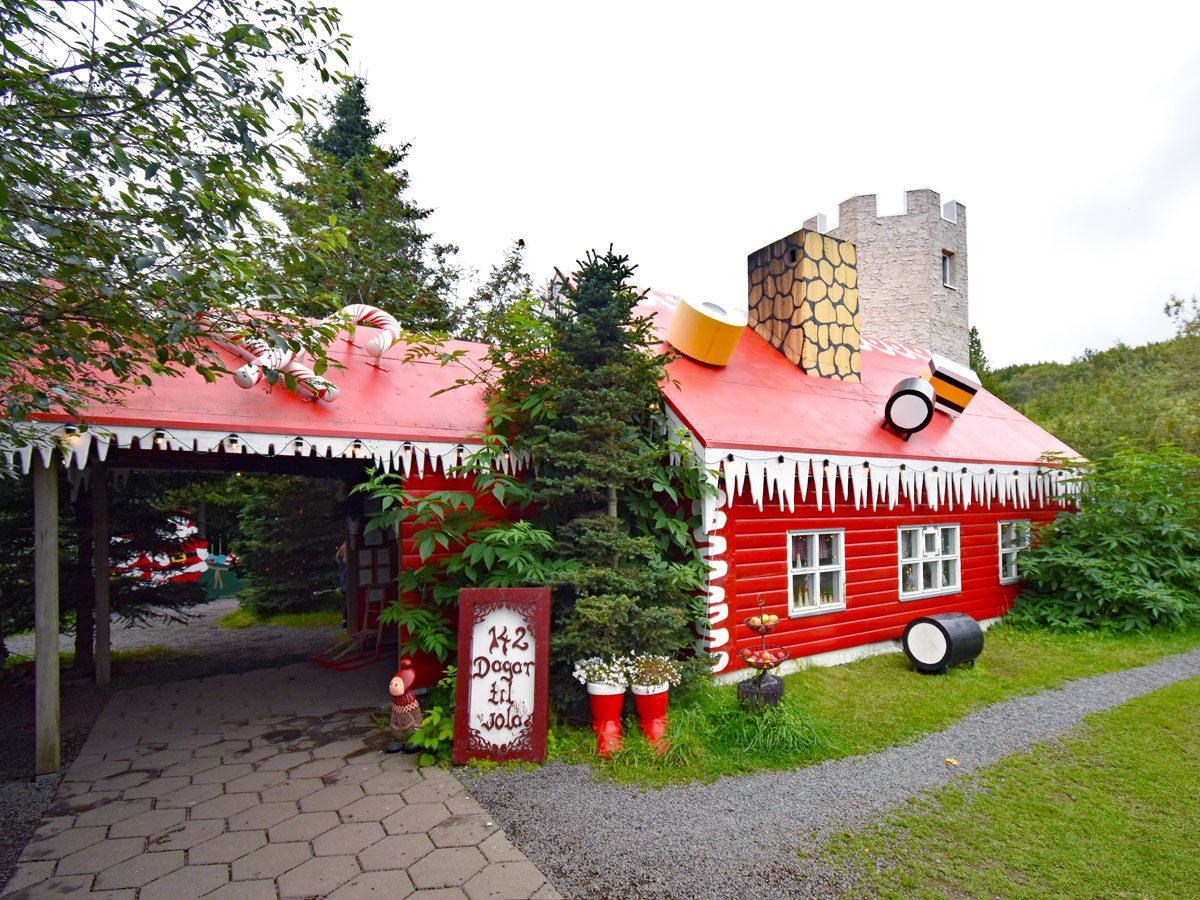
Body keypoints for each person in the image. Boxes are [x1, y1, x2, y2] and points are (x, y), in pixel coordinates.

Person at [386, 658, 423, 754]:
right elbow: (394, 714)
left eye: (396, 684)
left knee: (411, 742)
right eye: (392, 684)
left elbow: (417, 715)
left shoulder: (411, 702)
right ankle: (399, 741)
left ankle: (413, 742)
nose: (393, 686)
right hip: (397, 728)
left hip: (411, 728)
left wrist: (418, 726)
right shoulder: (396, 702)